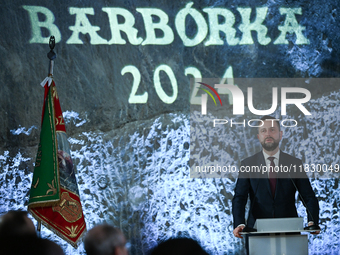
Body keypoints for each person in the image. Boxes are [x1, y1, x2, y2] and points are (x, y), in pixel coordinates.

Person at [232, 115, 320, 239]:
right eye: (263, 131)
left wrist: (312, 221)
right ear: (258, 137)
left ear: (280, 134)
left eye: (272, 130)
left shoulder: (294, 163)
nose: (268, 134)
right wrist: (239, 223)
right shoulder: (248, 164)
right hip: (257, 232)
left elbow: (308, 196)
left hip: (289, 232)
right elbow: (239, 198)